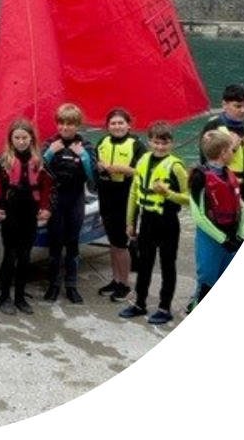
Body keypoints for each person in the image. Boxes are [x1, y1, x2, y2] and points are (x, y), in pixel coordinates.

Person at [119, 121, 189, 325]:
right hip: (147, 221)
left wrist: (168, 193)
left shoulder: (176, 167)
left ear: (171, 143)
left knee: (167, 265)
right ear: (149, 142)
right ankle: (139, 303)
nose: (160, 146)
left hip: (168, 222)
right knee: (144, 264)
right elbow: (134, 192)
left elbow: (188, 199)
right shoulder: (143, 160)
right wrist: (130, 221)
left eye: (164, 143)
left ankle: (164, 308)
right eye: (156, 142)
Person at [0, 118, 52, 315]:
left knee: (25, 256)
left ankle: (20, 297)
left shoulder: (39, 161)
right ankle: (4, 297)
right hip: (9, 213)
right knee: (10, 254)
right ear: (11, 139)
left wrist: (46, 208)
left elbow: (48, 187)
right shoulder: (2, 159)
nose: (21, 141)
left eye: (24, 138)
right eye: (17, 138)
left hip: (30, 214)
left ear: (31, 139)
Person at [187, 130, 244, 312]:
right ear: (223, 152)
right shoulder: (199, 177)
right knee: (208, 280)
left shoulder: (228, 174)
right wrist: (223, 239)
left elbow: (241, 206)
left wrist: (241, 234)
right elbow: (198, 216)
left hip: (232, 236)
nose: (233, 153)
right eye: (231, 149)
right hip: (210, 237)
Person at [41, 103, 96, 304]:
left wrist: (84, 157)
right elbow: (37, 172)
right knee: (55, 243)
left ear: (77, 125)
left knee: (72, 243)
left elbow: (92, 179)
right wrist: (48, 154)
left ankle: (71, 285)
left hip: (75, 198)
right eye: (62, 123)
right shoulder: (50, 144)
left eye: (70, 124)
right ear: (57, 124)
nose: (65, 127)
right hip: (55, 199)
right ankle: (53, 285)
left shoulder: (86, 146)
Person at [200, 83, 244, 226]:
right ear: (224, 105)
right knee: (226, 228)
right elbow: (204, 165)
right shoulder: (213, 127)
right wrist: (231, 150)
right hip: (223, 189)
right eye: (238, 106)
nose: (243, 110)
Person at [94, 108, 146, 302]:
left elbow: (145, 172)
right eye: (113, 123)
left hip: (126, 198)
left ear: (128, 125)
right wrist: (99, 166)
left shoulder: (137, 145)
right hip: (106, 196)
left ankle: (125, 285)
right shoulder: (102, 142)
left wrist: (125, 170)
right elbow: (96, 165)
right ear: (107, 126)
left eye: (120, 123)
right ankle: (116, 280)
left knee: (121, 243)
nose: (117, 126)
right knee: (113, 242)